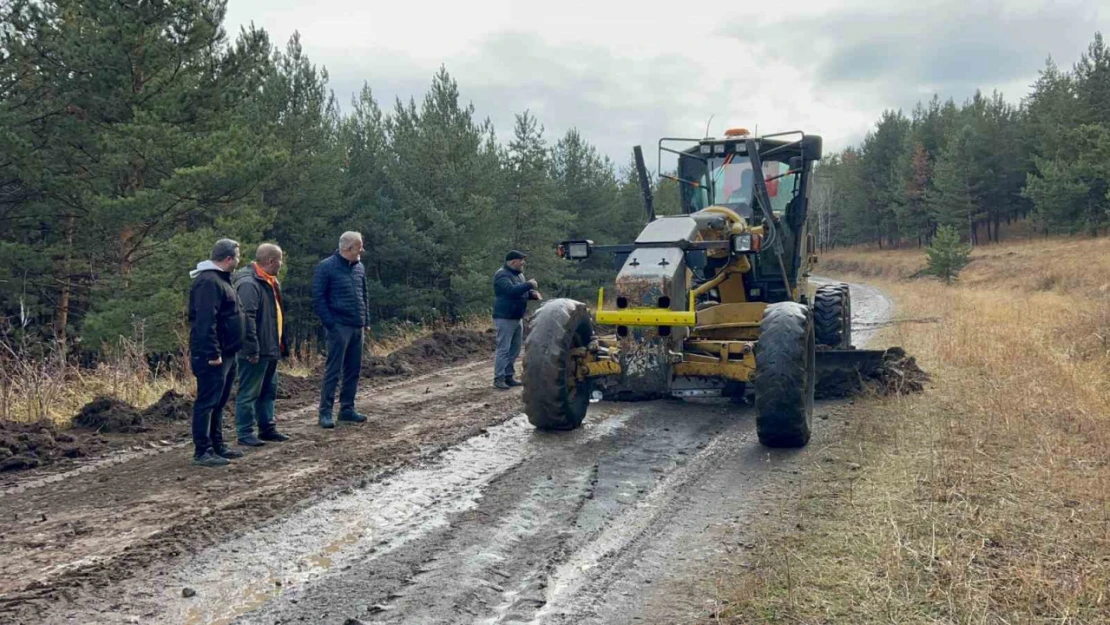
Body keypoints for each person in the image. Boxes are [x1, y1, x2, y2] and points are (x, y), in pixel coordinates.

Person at [188, 239, 246, 467]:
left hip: (228, 353)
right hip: (213, 356)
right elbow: (205, 321)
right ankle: (203, 451)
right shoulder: (208, 282)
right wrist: (212, 353)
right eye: (238, 256)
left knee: (219, 402)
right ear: (229, 258)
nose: (239, 261)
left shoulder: (222, 280)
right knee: (207, 402)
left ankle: (218, 445)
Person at [233, 243, 291, 447]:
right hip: (255, 350)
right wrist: (252, 349)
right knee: (249, 392)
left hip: (271, 347)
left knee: (269, 389)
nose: (281, 264)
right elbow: (246, 319)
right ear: (271, 261)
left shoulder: (270, 281)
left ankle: (267, 428)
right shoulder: (249, 284)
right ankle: (245, 432)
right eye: (280, 260)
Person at [312, 231, 370, 428]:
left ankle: (347, 409)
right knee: (333, 371)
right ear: (348, 248)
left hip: (357, 326)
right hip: (338, 327)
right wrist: (331, 324)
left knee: (353, 370)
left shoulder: (359, 267)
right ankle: (325, 413)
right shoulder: (326, 267)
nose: (362, 249)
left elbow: (364, 294)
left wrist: (366, 320)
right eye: (359, 246)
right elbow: (318, 298)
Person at [492, 250, 541, 390]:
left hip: (517, 317)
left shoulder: (519, 275)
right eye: (521, 260)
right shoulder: (502, 275)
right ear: (513, 262)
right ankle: (499, 378)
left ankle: (509, 376)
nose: (523, 263)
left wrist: (532, 294)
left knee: (514, 349)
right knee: (504, 349)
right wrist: (529, 285)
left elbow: (520, 292)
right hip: (504, 318)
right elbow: (510, 291)